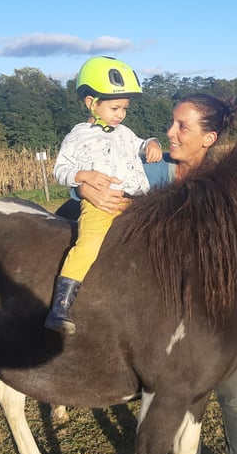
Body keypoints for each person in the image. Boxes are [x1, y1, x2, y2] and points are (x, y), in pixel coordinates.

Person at [74, 93, 237, 454]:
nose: (170, 133)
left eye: (182, 126)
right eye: (171, 123)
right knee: (180, 401)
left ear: (209, 138)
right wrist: (82, 185)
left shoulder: (230, 181)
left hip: (219, 316)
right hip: (168, 320)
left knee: (234, 398)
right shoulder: (152, 172)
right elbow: (98, 185)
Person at [44, 56, 162, 335]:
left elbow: (141, 144)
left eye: (124, 109)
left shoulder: (125, 132)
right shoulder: (77, 136)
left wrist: (153, 143)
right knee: (88, 244)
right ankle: (61, 306)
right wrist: (83, 176)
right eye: (114, 108)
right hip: (100, 205)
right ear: (91, 103)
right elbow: (61, 170)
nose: (120, 114)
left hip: (135, 202)